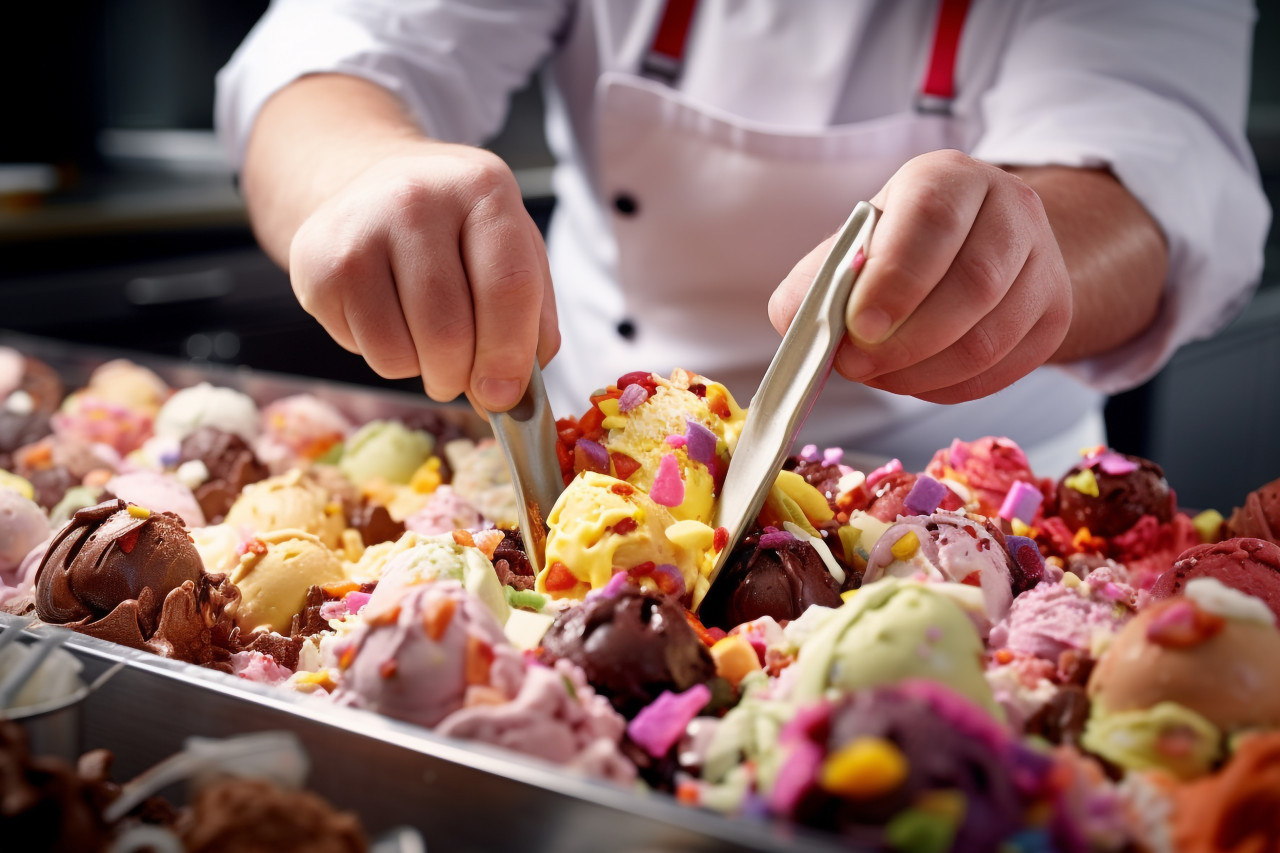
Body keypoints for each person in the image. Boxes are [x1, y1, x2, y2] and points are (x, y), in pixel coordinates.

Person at [215, 0, 1269, 472]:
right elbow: (328, 56)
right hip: (587, 471)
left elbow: (1154, 169)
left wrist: (1024, 251)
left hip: (974, 499)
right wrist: (364, 172)